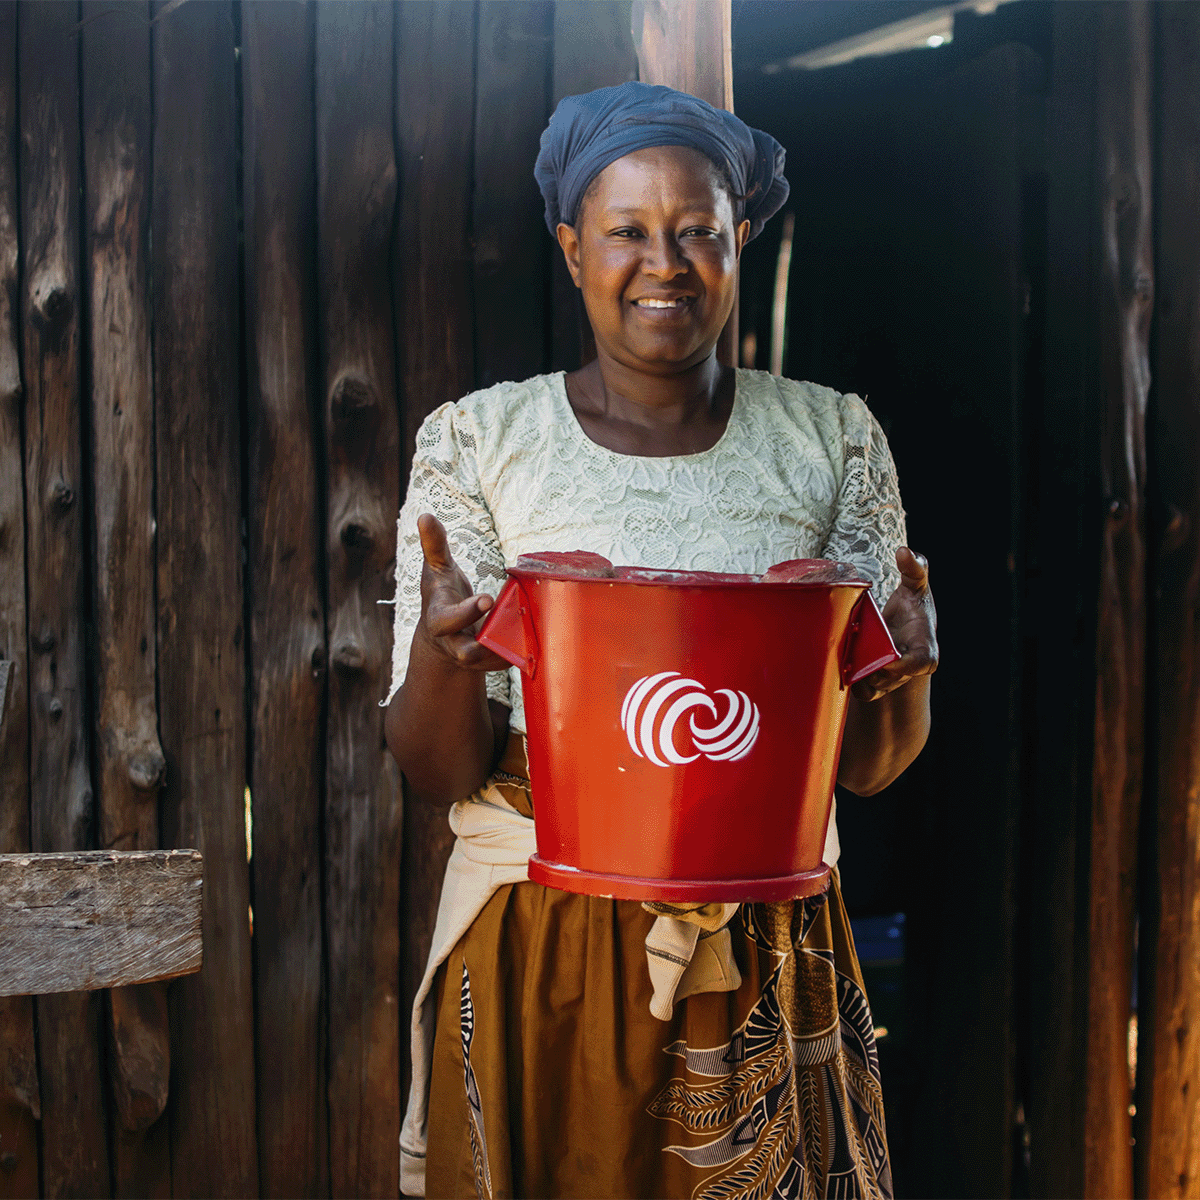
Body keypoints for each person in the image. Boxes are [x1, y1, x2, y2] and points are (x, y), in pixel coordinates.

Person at [385, 82, 937, 1200]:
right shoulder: (481, 443)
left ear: (741, 237)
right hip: (545, 937)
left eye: (697, 230)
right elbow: (439, 768)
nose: (665, 263)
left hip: (772, 939)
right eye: (628, 232)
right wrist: (448, 660)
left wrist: (905, 673)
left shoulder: (831, 438)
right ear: (571, 246)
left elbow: (869, 770)